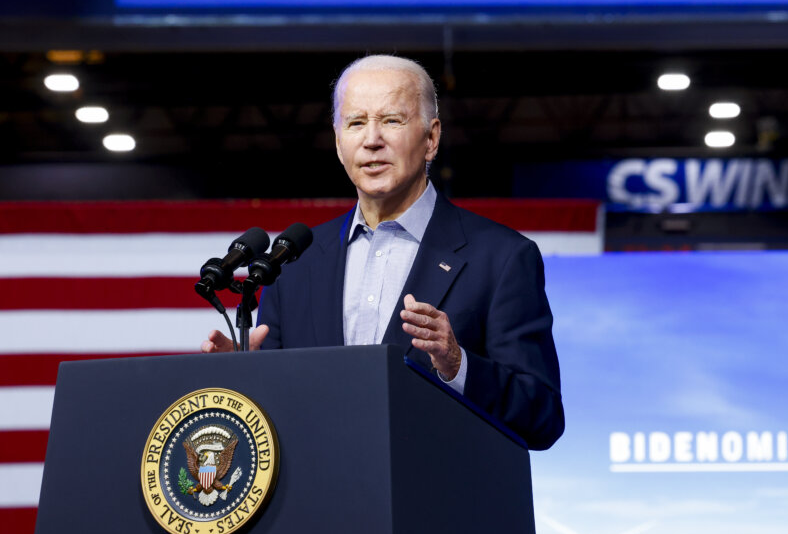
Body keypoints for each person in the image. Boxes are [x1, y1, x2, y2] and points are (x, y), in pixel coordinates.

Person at [201, 55, 564, 450]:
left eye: (392, 120)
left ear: (431, 138)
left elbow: (541, 417)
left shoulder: (502, 257)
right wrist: (241, 380)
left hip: (436, 505)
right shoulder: (294, 261)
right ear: (339, 143)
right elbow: (277, 419)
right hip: (321, 504)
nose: (372, 139)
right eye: (356, 123)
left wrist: (458, 365)